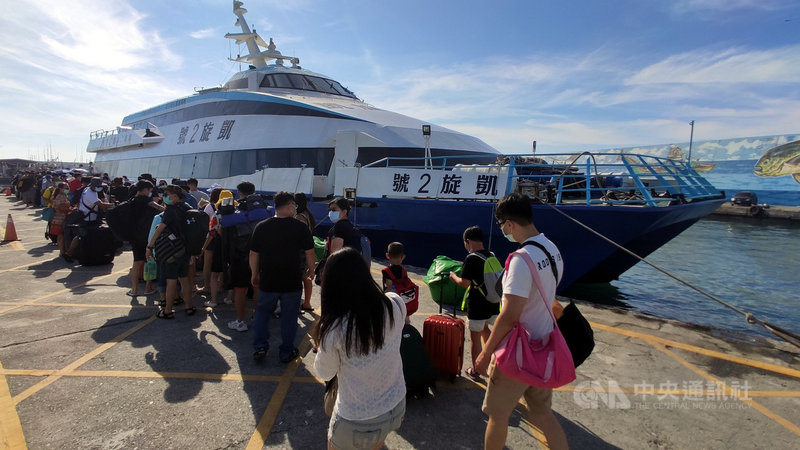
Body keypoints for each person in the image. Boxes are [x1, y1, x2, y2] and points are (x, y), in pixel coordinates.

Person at [475, 193, 567, 450]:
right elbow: (549, 295)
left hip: (517, 353)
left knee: (497, 415)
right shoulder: (552, 249)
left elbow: (509, 315)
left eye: (502, 225)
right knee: (542, 414)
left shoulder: (520, 260)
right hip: (544, 346)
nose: (504, 231)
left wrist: (486, 353)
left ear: (510, 224)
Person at [312, 247, 406, 450]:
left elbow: (323, 373)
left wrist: (321, 346)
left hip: (357, 420)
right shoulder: (395, 304)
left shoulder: (335, 329)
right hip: (396, 406)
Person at [249, 191, 315, 362]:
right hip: (291, 280)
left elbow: (254, 254)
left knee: (262, 315)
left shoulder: (262, 226)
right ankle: (286, 351)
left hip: (268, 279)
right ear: (289, 205)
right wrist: (311, 270)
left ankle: (260, 348)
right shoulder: (300, 227)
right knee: (289, 317)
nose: (295, 208)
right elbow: (309, 252)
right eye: (294, 205)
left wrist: (254, 274)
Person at [448, 226, 500, 381]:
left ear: (468, 241)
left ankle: (476, 369)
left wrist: (453, 277)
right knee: (485, 329)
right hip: (493, 304)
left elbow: (464, 283)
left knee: (474, 337)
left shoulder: (471, 258)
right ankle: (494, 360)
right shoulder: (491, 255)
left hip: (478, 305)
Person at [146, 185, 194, 319]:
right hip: (185, 250)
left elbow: (160, 228)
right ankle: (189, 306)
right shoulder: (187, 208)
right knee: (184, 279)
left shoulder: (171, 210)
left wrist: (150, 247)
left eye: (167, 194)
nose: (164, 196)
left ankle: (167, 310)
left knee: (171, 281)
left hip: (171, 250)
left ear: (174, 196)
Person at [127, 180, 163, 297]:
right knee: (149, 261)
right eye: (150, 190)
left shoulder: (130, 202)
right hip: (148, 236)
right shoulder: (148, 202)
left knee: (136, 263)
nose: (150, 192)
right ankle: (148, 287)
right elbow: (162, 210)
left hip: (134, 235)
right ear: (145, 189)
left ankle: (134, 289)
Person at [66, 177, 113, 259]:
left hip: (87, 216)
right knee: (81, 236)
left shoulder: (88, 189)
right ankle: (69, 253)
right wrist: (113, 205)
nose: (99, 188)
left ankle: (73, 252)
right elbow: (101, 205)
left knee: (82, 236)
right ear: (94, 186)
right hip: (87, 219)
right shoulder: (90, 194)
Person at [381, 242, 418, 323]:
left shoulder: (387, 271)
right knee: (405, 320)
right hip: (404, 302)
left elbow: (389, 287)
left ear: (387, 255)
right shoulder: (403, 270)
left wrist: (382, 297)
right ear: (403, 257)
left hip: (394, 302)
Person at [294, 192, 316, 312]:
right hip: (306, 249)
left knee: (299, 279)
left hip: (300, 251)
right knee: (307, 278)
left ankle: (298, 305)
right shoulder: (307, 214)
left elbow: (298, 236)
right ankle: (307, 302)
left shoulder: (299, 217)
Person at [50, 183, 72, 259]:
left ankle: (63, 251)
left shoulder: (63, 196)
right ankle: (62, 252)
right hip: (60, 218)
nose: (67, 189)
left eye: (68, 187)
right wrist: (69, 208)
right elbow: (61, 207)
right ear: (61, 188)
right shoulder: (60, 197)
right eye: (66, 188)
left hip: (62, 217)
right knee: (60, 236)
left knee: (62, 236)